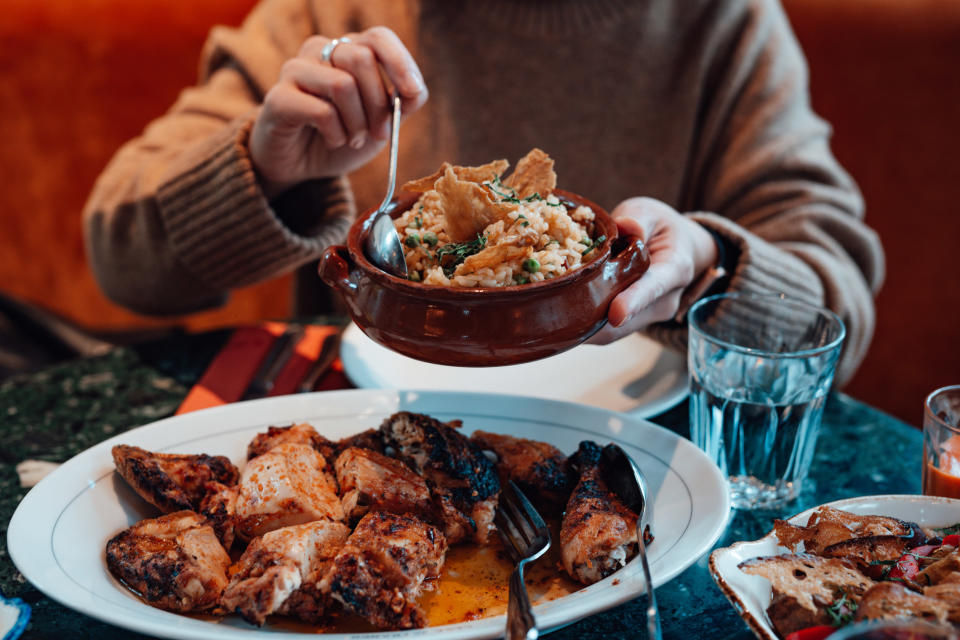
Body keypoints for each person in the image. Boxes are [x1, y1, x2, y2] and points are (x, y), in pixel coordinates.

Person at [83, 0, 884, 384]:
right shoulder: (336, 13)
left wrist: (709, 268)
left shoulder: (725, 25)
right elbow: (119, 261)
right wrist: (264, 169)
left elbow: (835, 326)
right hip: (374, 431)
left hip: (637, 455)